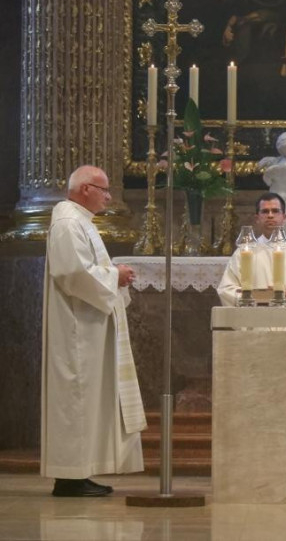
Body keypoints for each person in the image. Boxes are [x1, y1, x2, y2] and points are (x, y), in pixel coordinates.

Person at [42, 165, 146, 497]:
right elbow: (72, 273)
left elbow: (84, 269)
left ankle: (79, 472)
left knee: (85, 399)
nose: (109, 197)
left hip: (88, 325)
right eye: (104, 190)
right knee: (77, 397)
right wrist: (114, 275)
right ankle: (69, 477)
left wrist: (112, 273)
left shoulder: (79, 221)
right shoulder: (68, 222)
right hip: (77, 330)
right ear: (85, 189)